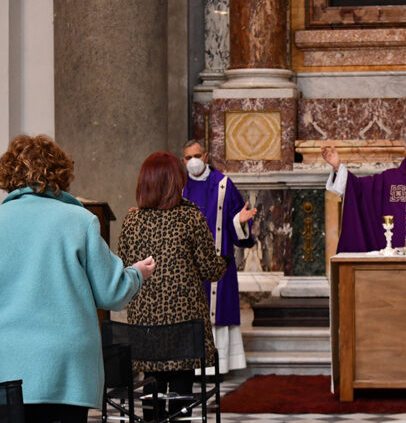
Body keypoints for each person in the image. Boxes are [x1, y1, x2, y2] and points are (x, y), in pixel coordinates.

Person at [0, 135, 155, 423]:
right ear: (60, 172)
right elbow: (112, 292)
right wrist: (137, 273)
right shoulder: (79, 220)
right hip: (67, 366)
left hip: (7, 365)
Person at [118, 151, 227, 419]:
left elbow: (122, 267)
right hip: (183, 329)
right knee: (181, 396)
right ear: (174, 182)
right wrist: (226, 260)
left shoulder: (132, 221)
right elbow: (210, 269)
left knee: (151, 390)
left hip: (146, 330)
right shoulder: (190, 218)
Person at [181, 139, 257, 373]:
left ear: (206, 157)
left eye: (197, 155)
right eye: (188, 158)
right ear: (183, 161)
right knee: (190, 314)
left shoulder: (223, 184)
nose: (193, 161)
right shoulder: (179, 187)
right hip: (187, 267)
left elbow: (237, 221)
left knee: (218, 312)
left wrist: (240, 221)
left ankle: (219, 367)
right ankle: (192, 368)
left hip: (218, 263)